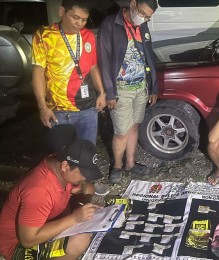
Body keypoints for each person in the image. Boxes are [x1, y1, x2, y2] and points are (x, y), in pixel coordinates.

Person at [0, 140, 103, 259]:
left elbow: (88, 188)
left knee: (89, 190)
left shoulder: (56, 163)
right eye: (84, 173)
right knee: (80, 241)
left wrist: (87, 208)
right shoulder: (39, 191)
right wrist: (75, 218)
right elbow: (27, 240)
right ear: (65, 166)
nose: (85, 178)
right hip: (17, 246)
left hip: (44, 223)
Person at [97, 0, 159, 184]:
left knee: (134, 126)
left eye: (148, 17)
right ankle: (117, 166)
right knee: (121, 132)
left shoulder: (143, 26)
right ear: (132, 4)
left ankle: (130, 164)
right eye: (142, 13)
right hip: (120, 90)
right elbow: (104, 60)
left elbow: (149, 56)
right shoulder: (110, 24)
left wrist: (153, 86)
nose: (144, 18)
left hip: (141, 87)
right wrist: (109, 92)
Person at [32, 0, 106, 145]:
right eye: (75, 17)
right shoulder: (44, 36)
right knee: (60, 158)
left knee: (86, 153)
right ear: (61, 12)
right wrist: (42, 107)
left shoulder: (88, 36)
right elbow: (38, 73)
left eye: (84, 20)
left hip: (88, 109)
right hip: (58, 111)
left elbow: (93, 67)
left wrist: (102, 93)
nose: (80, 23)